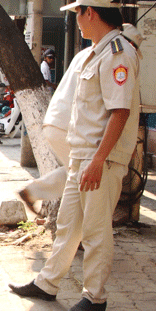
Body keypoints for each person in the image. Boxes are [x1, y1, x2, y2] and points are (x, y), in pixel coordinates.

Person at [9, 0, 141, 311]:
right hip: (83, 156)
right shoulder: (98, 51)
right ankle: (48, 282)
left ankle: (95, 297)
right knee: (69, 224)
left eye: (78, 14)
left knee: (96, 231)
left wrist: (99, 159)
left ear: (91, 12)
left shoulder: (118, 54)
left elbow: (120, 111)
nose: (77, 21)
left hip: (101, 159)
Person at [19, 24, 144, 214]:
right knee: (89, 176)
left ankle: (35, 193)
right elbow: (118, 110)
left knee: (77, 175)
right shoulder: (114, 56)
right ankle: (39, 194)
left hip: (56, 120)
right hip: (74, 127)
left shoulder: (91, 52)